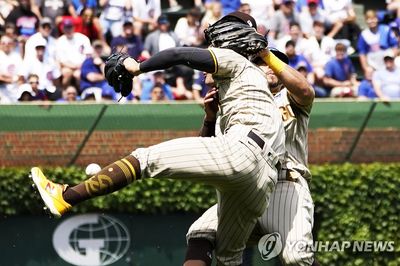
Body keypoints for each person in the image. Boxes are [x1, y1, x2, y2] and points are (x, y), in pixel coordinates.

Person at [30, 12, 285, 266]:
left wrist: (137, 67)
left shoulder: (237, 60)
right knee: (229, 258)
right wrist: (209, 118)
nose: (211, 46)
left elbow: (178, 55)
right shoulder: (247, 91)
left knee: (145, 158)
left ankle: (66, 196)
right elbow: (208, 146)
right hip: (262, 184)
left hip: (244, 151)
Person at [184, 48, 317, 266]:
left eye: (276, 63)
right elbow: (208, 151)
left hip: (285, 185)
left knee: (296, 258)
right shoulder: (236, 105)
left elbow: (305, 91)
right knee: (200, 233)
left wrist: (266, 54)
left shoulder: (288, 97)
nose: (271, 66)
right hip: (246, 189)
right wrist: (210, 118)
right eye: (262, 63)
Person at [357, 9, 399, 78]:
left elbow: (395, 46)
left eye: (373, 18)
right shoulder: (364, 34)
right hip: (373, 64)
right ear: (366, 21)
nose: (372, 21)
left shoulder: (385, 29)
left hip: (388, 61)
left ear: (377, 19)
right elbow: (362, 53)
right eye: (369, 19)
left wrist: (391, 60)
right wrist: (366, 68)